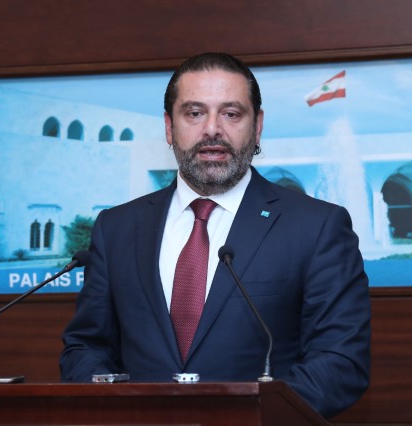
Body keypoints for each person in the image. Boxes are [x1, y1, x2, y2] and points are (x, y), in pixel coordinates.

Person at [60, 52, 371, 418]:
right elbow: (86, 347)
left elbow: (339, 362)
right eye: (194, 113)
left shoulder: (316, 227)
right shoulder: (116, 228)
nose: (212, 129)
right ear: (169, 126)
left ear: (257, 126)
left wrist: (240, 419)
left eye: (231, 114)